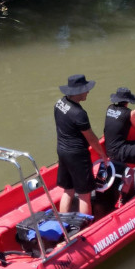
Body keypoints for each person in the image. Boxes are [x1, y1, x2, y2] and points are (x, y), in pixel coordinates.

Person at [54, 74, 107, 215]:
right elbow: (92, 139)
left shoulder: (59, 103)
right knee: (85, 194)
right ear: (77, 92)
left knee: (68, 190)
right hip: (77, 156)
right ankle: (86, 228)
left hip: (62, 151)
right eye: (86, 89)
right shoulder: (79, 113)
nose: (88, 92)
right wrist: (102, 154)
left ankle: (63, 223)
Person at [103, 86, 135, 176]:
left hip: (109, 148)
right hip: (118, 152)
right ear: (128, 101)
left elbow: (121, 120)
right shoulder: (129, 113)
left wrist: (133, 117)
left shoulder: (110, 108)